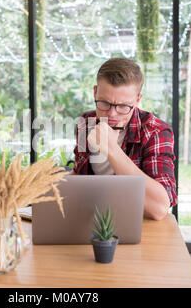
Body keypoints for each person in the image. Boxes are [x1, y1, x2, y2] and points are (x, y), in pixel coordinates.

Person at [71, 58, 177, 221]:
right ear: (95, 92)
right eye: (104, 103)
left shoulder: (155, 131)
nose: (112, 114)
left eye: (123, 106)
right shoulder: (86, 122)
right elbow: (80, 177)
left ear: (137, 100)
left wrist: (111, 149)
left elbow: (159, 209)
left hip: (137, 223)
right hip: (90, 220)